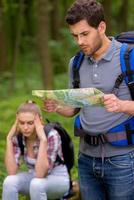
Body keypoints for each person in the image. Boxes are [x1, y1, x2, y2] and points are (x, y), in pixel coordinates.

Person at [44, 0, 134, 200]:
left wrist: (121, 105)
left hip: (123, 160)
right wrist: (57, 106)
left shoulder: (129, 57)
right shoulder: (75, 63)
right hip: (85, 158)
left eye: (84, 34)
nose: (79, 42)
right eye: (74, 36)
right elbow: (74, 108)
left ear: (101, 27)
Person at [2, 101, 70, 200]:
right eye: (21, 123)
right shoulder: (19, 137)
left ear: (39, 120)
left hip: (58, 180)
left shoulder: (51, 135)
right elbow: (11, 171)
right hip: (34, 178)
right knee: (9, 181)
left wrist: (43, 140)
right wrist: (8, 139)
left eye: (30, 123)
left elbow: (41, 174)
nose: (25, 128)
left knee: (36, 184)